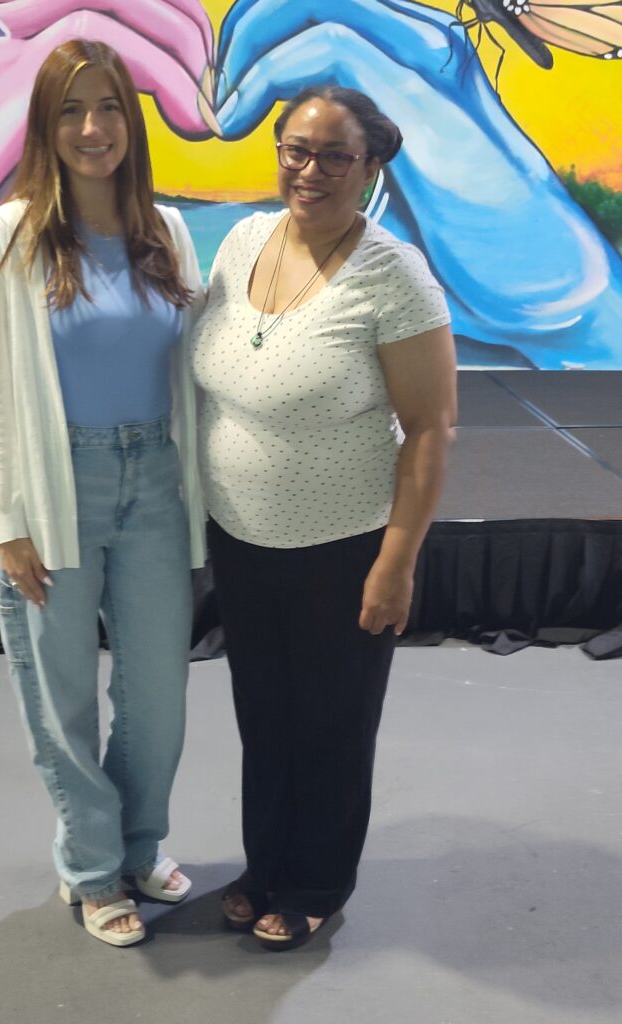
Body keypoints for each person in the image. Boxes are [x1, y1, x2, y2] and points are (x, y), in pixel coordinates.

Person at [190, 86, 457, 950]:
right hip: (240, 536)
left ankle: (315, 881)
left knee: (332, 723)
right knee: (263, 715)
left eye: (334, 156)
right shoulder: (240, 240)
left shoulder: (393, 275)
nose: (309, 171)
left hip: (344, 545)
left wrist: (397, 561)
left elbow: (430, 428)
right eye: (295, 150)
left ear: (370, 166)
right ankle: (265, 865)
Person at [0, 38, 205, 948]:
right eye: (70, 111)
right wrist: (7, 518)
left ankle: (141, 846)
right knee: (60, 695)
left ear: (129, 121)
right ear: (46, 126)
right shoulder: (16, 233)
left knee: (157, 694)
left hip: (154, 482)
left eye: (107, 107)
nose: (92, 128)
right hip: (54, 482)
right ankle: (91, 868)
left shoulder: (167, 233)